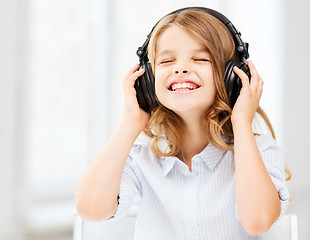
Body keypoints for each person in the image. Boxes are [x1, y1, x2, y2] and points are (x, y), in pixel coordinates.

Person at [76, 7, 290, 239]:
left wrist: (241, 122)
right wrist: (130, 121)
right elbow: (90, 208)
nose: (180, 68)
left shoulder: (259, 151)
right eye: (167, 60)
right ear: (148, 79)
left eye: (200, 58)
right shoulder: (141, 161)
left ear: (234, 77)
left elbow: (257, 221)